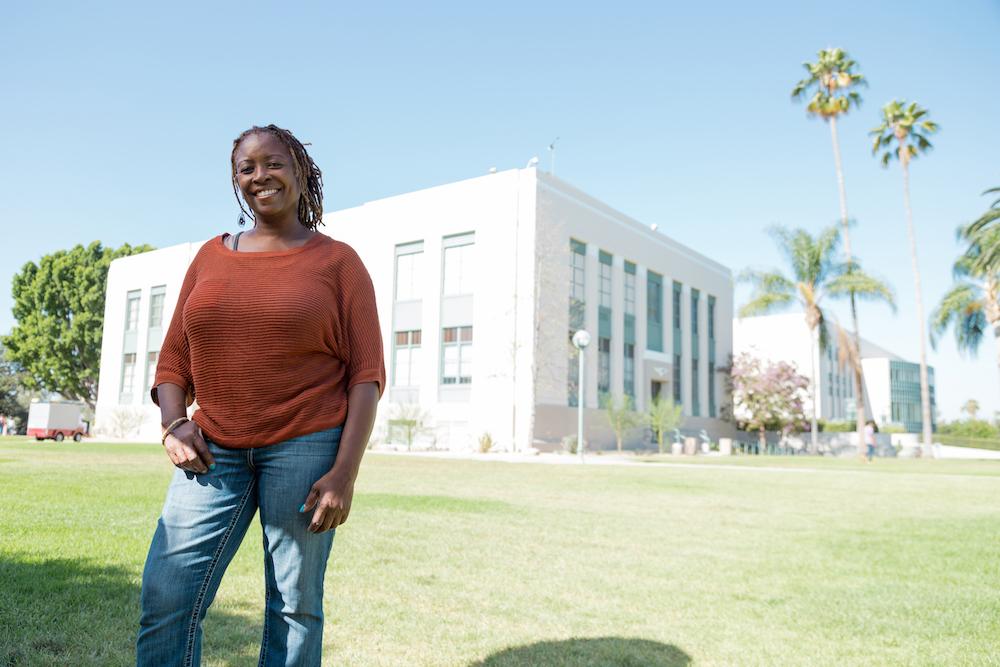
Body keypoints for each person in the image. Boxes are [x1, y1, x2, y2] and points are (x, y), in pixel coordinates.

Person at [136, 124, 385, 666]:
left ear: (299, 170)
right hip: (212, 449)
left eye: (272, 163)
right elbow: (174, 356)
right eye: (245, 169)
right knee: (166, 596)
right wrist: (174, 424)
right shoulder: (209, 256)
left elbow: (365, 375)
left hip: (307, 447)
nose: (259, 176)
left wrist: (345, 473)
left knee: (294, 607)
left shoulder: (339, 262)